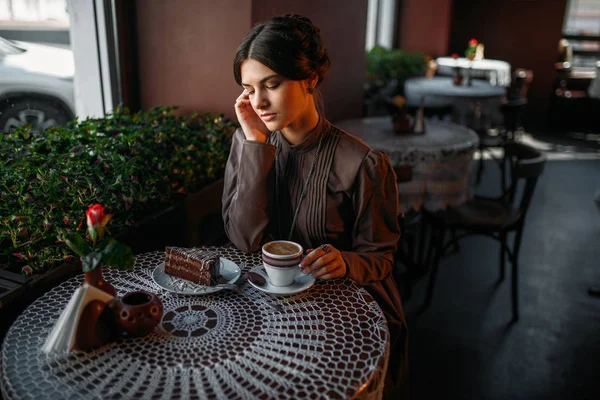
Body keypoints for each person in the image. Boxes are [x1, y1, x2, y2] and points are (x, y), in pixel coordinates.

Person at [222, 14, 408, 398]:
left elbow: (382, 258)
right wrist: (255, 146)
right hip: (269, 315)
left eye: (271, 84)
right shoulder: (250, 143)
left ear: (309, 78)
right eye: (249, 89)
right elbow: (243, 241)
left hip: (341, 317)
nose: (259, 102)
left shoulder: (364, 163)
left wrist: (346, 262)